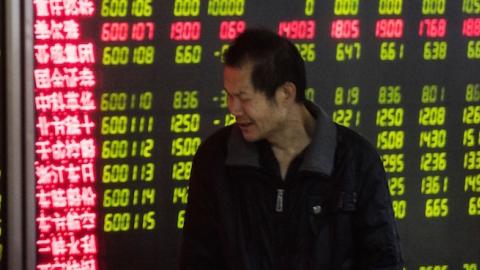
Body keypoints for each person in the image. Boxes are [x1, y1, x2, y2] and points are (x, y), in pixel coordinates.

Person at [179, 28, 403, 270]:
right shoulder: (215, 159)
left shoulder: (356, 161)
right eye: (229, 96)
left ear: (286, 93)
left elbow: (382, 261)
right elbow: (197, 260)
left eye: (244, 98)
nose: (233, 109)